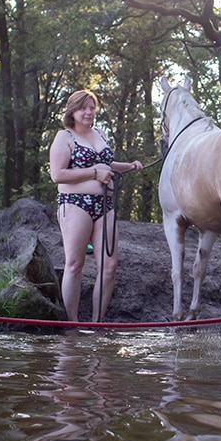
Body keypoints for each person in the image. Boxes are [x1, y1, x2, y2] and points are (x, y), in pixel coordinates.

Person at [49, 90, 143, 322]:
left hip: (104, 204)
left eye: (92, 108)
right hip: (74, 204)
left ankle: (96, 323)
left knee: (109, 266)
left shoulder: (100, 134)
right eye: (84, 108)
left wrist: (128, 166)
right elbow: (57, 174)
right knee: (75, 264)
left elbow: (106, 163)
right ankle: (72, 323)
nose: (89, 112)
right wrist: (94, 173)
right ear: (72, 111)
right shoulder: (64, 137)